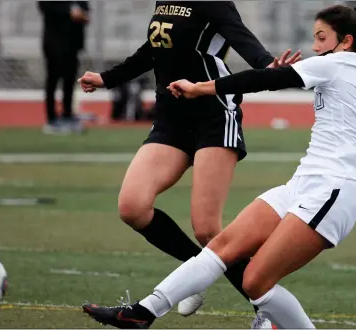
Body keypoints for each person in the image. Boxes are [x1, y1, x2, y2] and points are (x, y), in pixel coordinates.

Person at [81, 4, 356, 329]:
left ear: (345, 42)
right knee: (221, 246)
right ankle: (142, 313)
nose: (314, 48)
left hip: (334, 191)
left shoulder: (337, 65)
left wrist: (200, 87)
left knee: (256, 282)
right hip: (304, 183)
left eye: (321, 38)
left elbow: (265, 80)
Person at [78, 1, 300, 319]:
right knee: (132, 207)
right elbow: (156, 46)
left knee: (209, 230)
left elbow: (240, 37)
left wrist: (270, 66)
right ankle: (193, 273)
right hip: (171, 116)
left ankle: (267, 313)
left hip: (212, 111)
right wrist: (108, 78)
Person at [38, 1, 90, 134]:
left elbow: (85, 9)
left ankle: (68, 114)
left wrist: (83, 15)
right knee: (53, 80)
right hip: (54, 42)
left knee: (69, 80)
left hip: (73, 43)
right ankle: (52, 118)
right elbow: (45, 7)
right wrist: (68, 12)